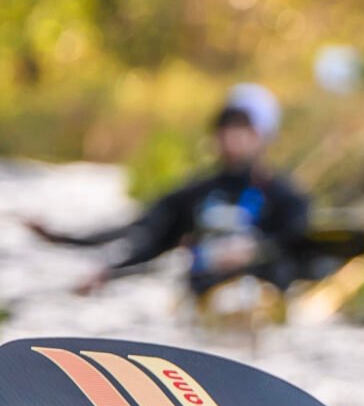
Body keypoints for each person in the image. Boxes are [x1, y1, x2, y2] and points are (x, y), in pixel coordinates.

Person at [71, 84, 316, 299]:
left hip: (261, 293)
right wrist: (109, 274)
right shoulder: (194, 194)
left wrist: (255, 250)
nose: (232, 138)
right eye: (226, 128)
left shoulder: (289, 198)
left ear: (263, 136)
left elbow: (297, 244)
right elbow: (155, 241)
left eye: (244, 129)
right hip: (207, 294)